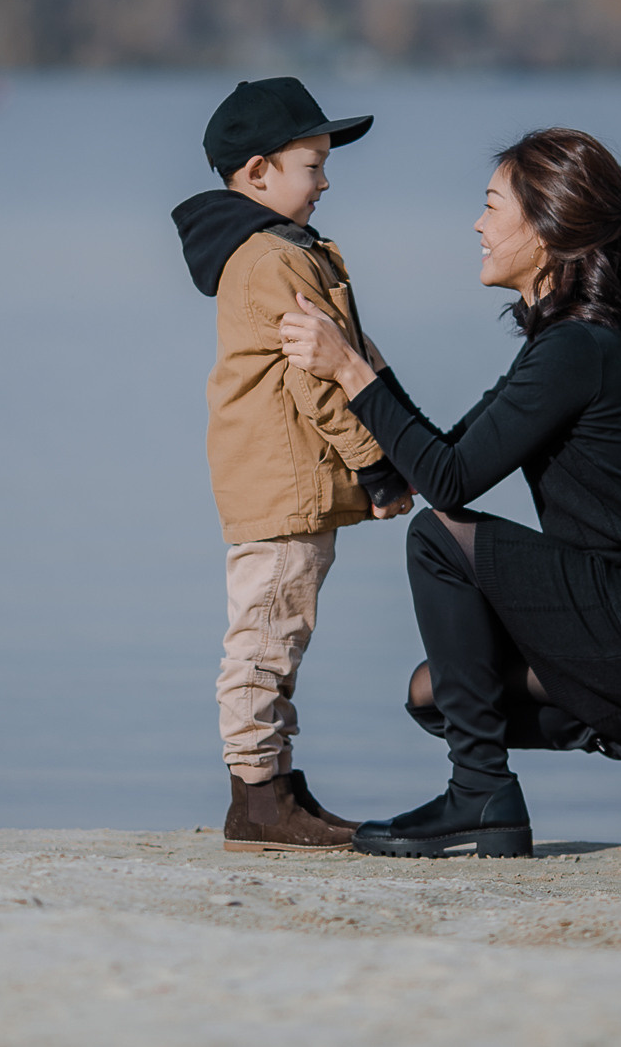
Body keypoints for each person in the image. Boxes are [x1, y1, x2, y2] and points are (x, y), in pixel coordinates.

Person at [277, 127, 621, 858]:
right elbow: (443, 455)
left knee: (438, 538)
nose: (477, 224)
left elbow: (446, 485)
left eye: (491, 205)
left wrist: (352, 374)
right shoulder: (569, 345)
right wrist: (369, 370)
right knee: (439, 695)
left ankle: (481, 796)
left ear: (544, 231)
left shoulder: (578, 351)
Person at [170, 77, 415, 852]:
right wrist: (378, 466)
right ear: (257, 172)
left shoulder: (284, 250)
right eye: (312, 163)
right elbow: (316, 378)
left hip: (287, 478)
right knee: (266, 634)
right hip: (281, 482)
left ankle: (273, 781)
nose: (326, 179)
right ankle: (256, 793)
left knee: (281, 629)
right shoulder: (269, 259)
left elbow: (355, 355)